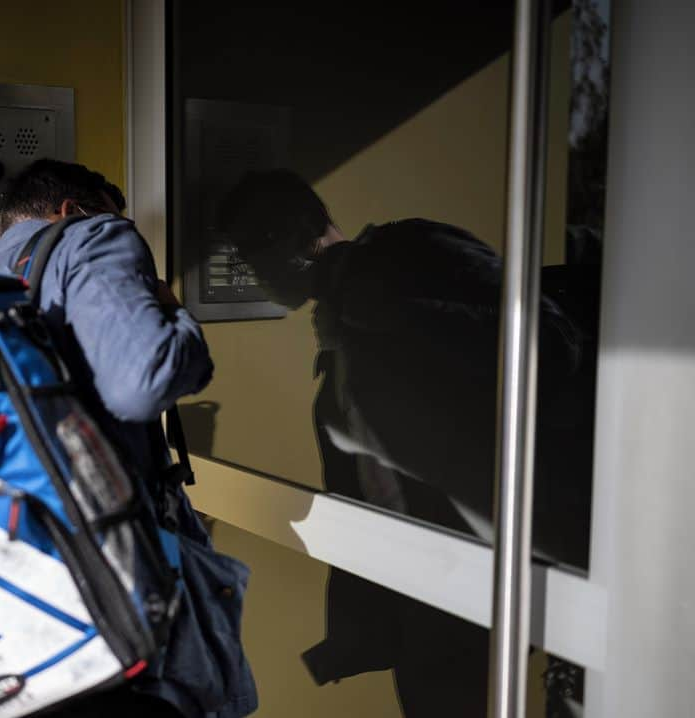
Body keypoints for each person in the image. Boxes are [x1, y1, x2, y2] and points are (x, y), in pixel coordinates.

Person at [218, 169, 593, 716]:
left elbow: (550, 340)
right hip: (424, 583)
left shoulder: (410, 250)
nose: (252, 274)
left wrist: (392, 315)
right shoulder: (338, 320)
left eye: (253, 254)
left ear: (296, 238)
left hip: (485, 565)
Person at [0, 159, 256, 718]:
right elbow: (144, 382)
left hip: (38, 575)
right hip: (127, 571)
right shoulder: (91, 235)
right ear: (72, 210)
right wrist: (174, 312)